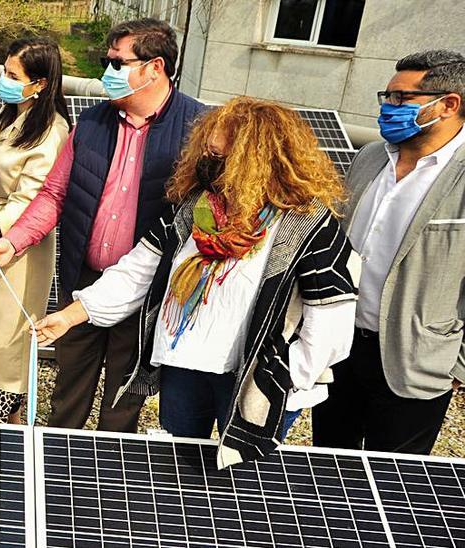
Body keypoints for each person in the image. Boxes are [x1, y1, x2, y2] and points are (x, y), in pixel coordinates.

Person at [31, 98, 358, 467]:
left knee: (245, 481)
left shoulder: (310, 226)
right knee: (181, 472)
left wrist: (284, 378)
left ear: (256, 162)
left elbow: (329, 322)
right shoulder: (192, 210)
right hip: (185, 369)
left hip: (256, 380)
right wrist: (73, 315)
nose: (208, 163)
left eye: (220, 157)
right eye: (207, 151)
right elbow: (138, 271)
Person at [0, 18, 207, 433]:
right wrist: (12, 243)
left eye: (117, 62)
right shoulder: (92, 123)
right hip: (82, 279)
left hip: (148, 290)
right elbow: (53, 196)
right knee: (68, 392)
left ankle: (103, 485)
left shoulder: (197, 130)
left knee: (122, 401)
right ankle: (57, 473)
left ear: (155, 68)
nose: (107, 71)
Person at [314, 50, 465, 455]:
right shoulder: (369, 157)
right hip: (340, 347)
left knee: (391, 485)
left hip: (413, 363)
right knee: (327, 463)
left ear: (449, 104)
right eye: (387, 97)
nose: (388, 108)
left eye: (401, 99)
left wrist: (455, 365)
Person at [0, 36, 71, 424]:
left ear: (38, 84)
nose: (3, 79)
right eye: (4, 70)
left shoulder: (51, 132)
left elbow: (32, 198)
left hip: (17, 244)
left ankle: (8, 416)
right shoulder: (8, 116)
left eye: (12, 74)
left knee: (7, 333)